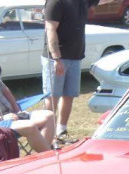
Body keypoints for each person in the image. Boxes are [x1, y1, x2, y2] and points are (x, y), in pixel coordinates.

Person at [43, 0, 98, 145]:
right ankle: (46, 137)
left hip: (75, 57)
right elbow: (50, 29)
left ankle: (61, 132)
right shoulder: (56, 2)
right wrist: (56, 58)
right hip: (57, 58)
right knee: (53, 97)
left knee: (69, 95)